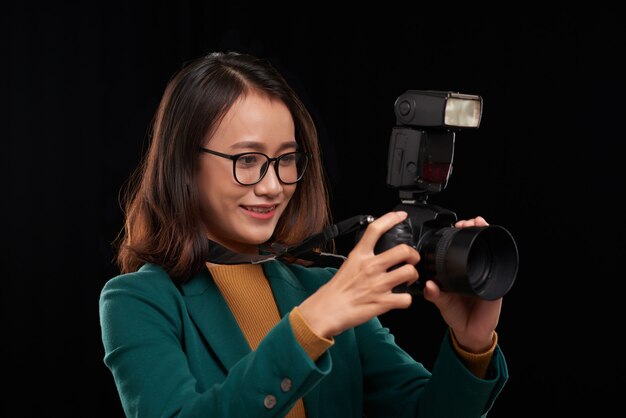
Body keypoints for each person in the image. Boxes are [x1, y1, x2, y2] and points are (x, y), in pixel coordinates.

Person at [99, 51, 508, 418]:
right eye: (247, 159)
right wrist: (311, 324)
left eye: (287, 159)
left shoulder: (326, 285)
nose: (273, 186)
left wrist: (471, 346)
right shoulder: (138, 301)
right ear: (185, 164)